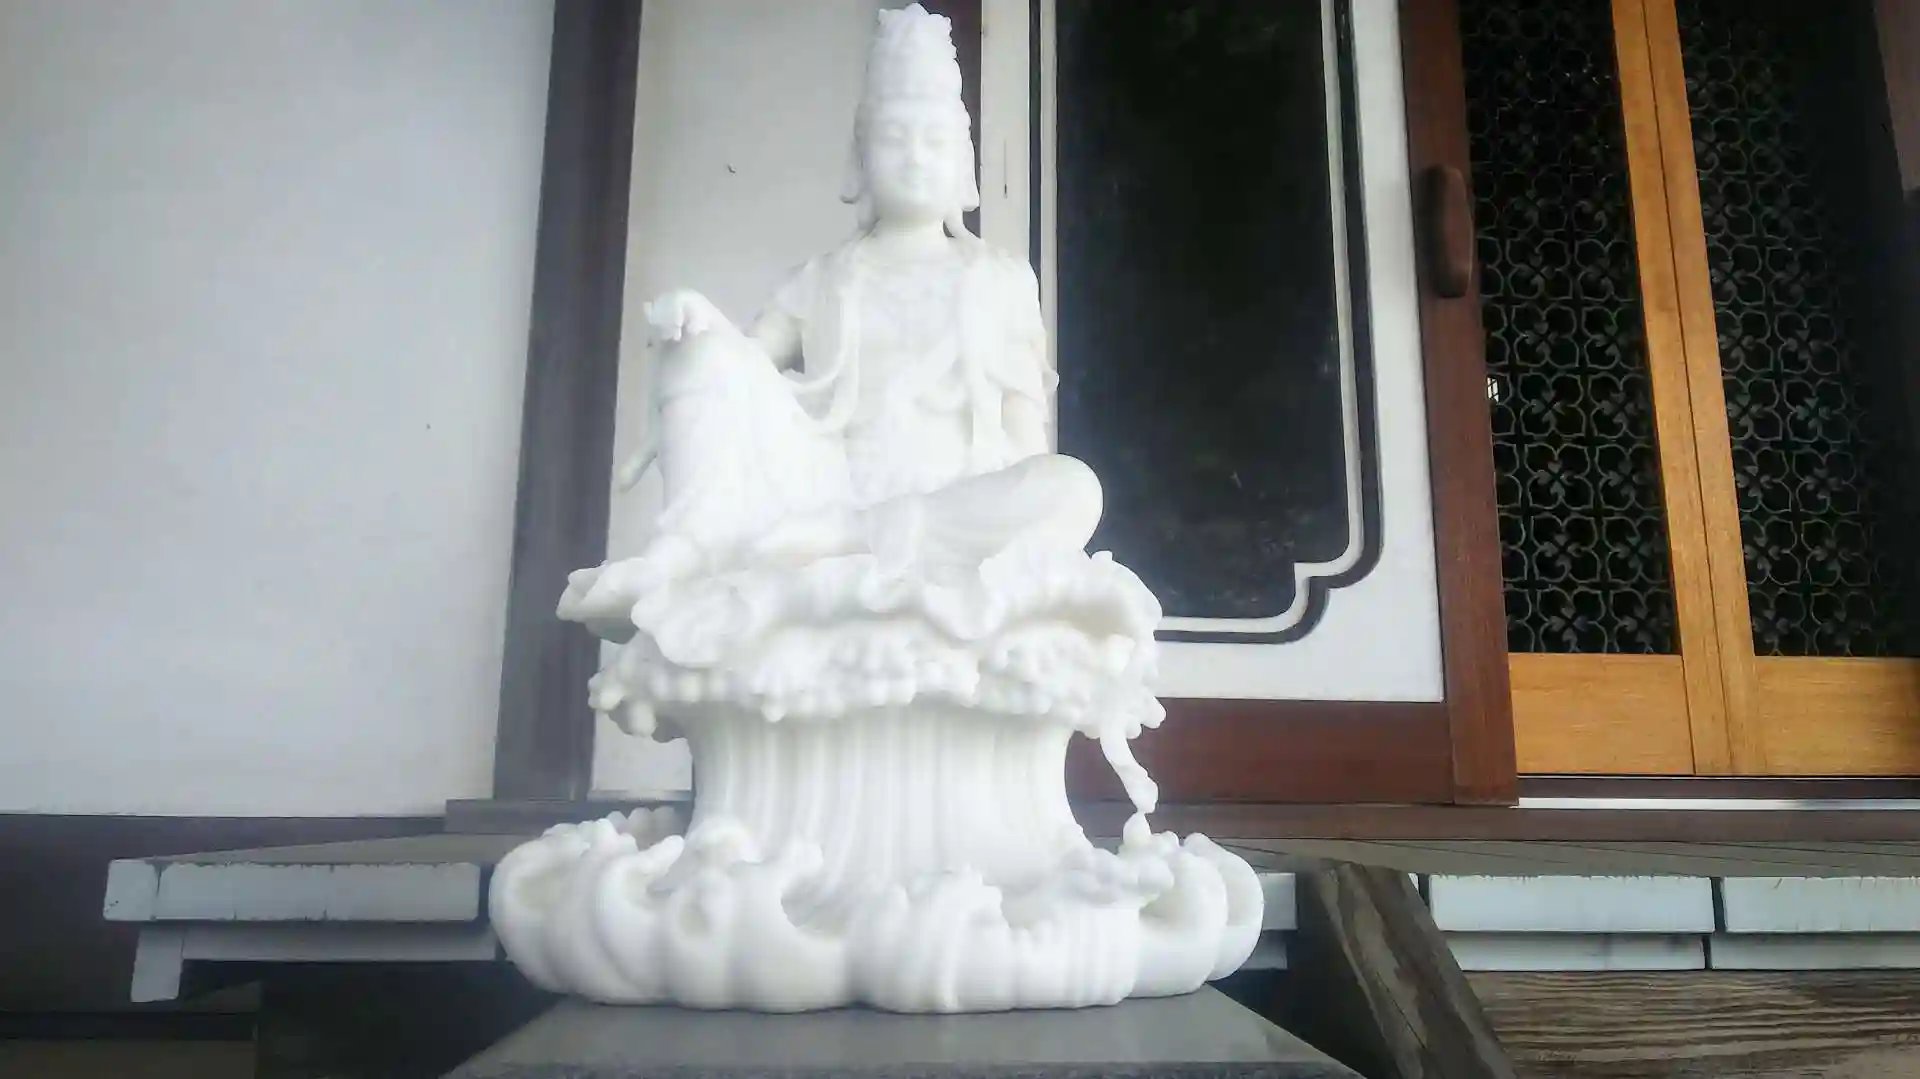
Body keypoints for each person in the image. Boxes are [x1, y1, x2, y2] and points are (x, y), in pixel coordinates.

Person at [625, 3, 1101, 588]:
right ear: (861, 153)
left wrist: (1028, 514)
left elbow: (1025, 436)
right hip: (832, 484)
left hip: (957, 500)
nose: (915, 158)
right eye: (894, 139)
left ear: (963, 159)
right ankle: (685, 547)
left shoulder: (1002, 280)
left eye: (934, 141)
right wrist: (701, 328)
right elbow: (743, 372)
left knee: (1072, 487)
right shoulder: (824, 277)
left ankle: (854, 540)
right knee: (700, 351)